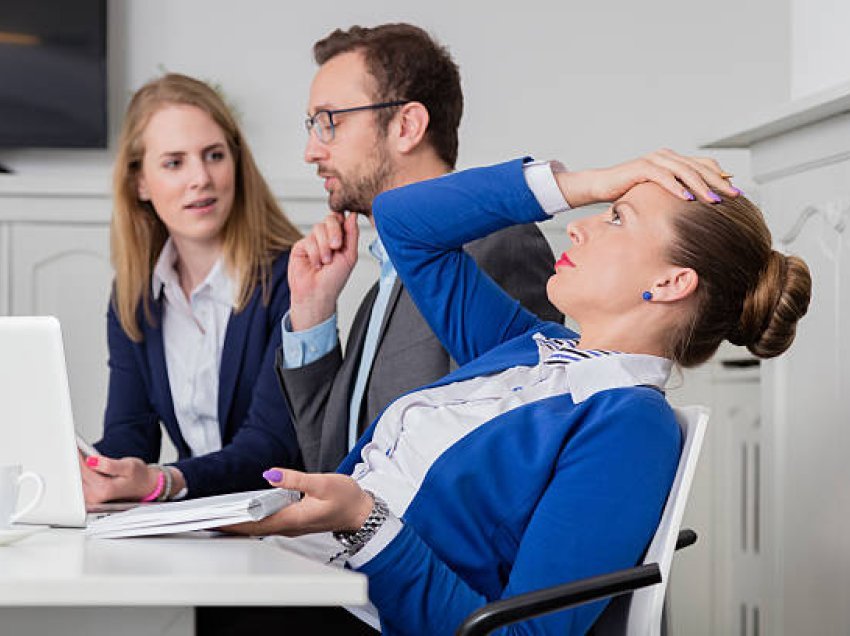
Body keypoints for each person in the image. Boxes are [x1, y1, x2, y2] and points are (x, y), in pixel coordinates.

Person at [231, 149, 811, 635]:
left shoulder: (631, 427)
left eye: (615, 217)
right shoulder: (531, 347)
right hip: (309, 578)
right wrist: (584, 183)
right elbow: (402, 222)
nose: (579, 223)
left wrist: (365, 520)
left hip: (353, 610)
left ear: (668, 282)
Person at [278, 23, 562, 473]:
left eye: (330, 122)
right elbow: (330, 466)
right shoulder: (379, 292)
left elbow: (498, 462)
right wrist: (313, 314)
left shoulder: (497, 246)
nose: (312, 151)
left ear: (407, 126)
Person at [80, 73, 303, 504]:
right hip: (196, 523)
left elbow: (271, 446)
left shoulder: (290, 276)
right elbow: (131, 436)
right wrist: (86, 466)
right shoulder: (135, 295)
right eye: (174, 162)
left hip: (282, 525)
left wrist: (166, 481)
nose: (200, 177)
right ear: (139, 183)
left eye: (214, 155)